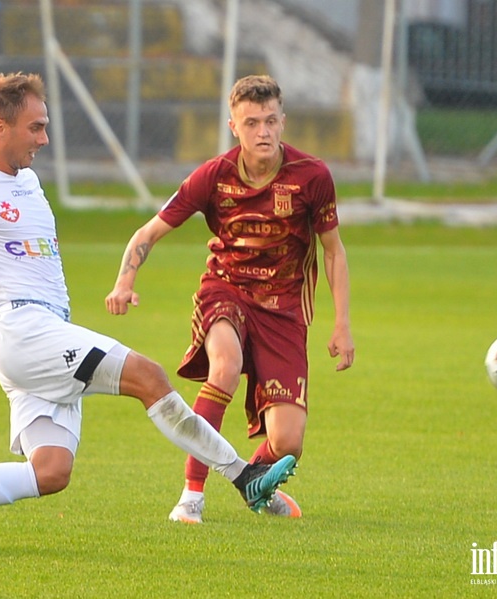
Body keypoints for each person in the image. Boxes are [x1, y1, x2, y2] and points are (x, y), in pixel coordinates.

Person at [0, 72, 297, 546]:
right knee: (149, 376)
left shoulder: (27, 180)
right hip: (23, 331)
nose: (45, 138)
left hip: (44, 333)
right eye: (35, 127)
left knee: (51, 471)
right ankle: (243, 477)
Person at [106, 74, 354, 524]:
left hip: (283, 310)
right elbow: (149, 232)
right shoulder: (213, 176)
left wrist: (342, 324)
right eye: (253, 122)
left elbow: (333, 250)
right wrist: (125, 281)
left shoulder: (311, 176)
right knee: (223, 366)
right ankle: (191, 496)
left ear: (283, 122)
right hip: (227, 291)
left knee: (290, 442)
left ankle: (254, 478)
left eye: (272, 121)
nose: (264, 131)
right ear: (233, 126)